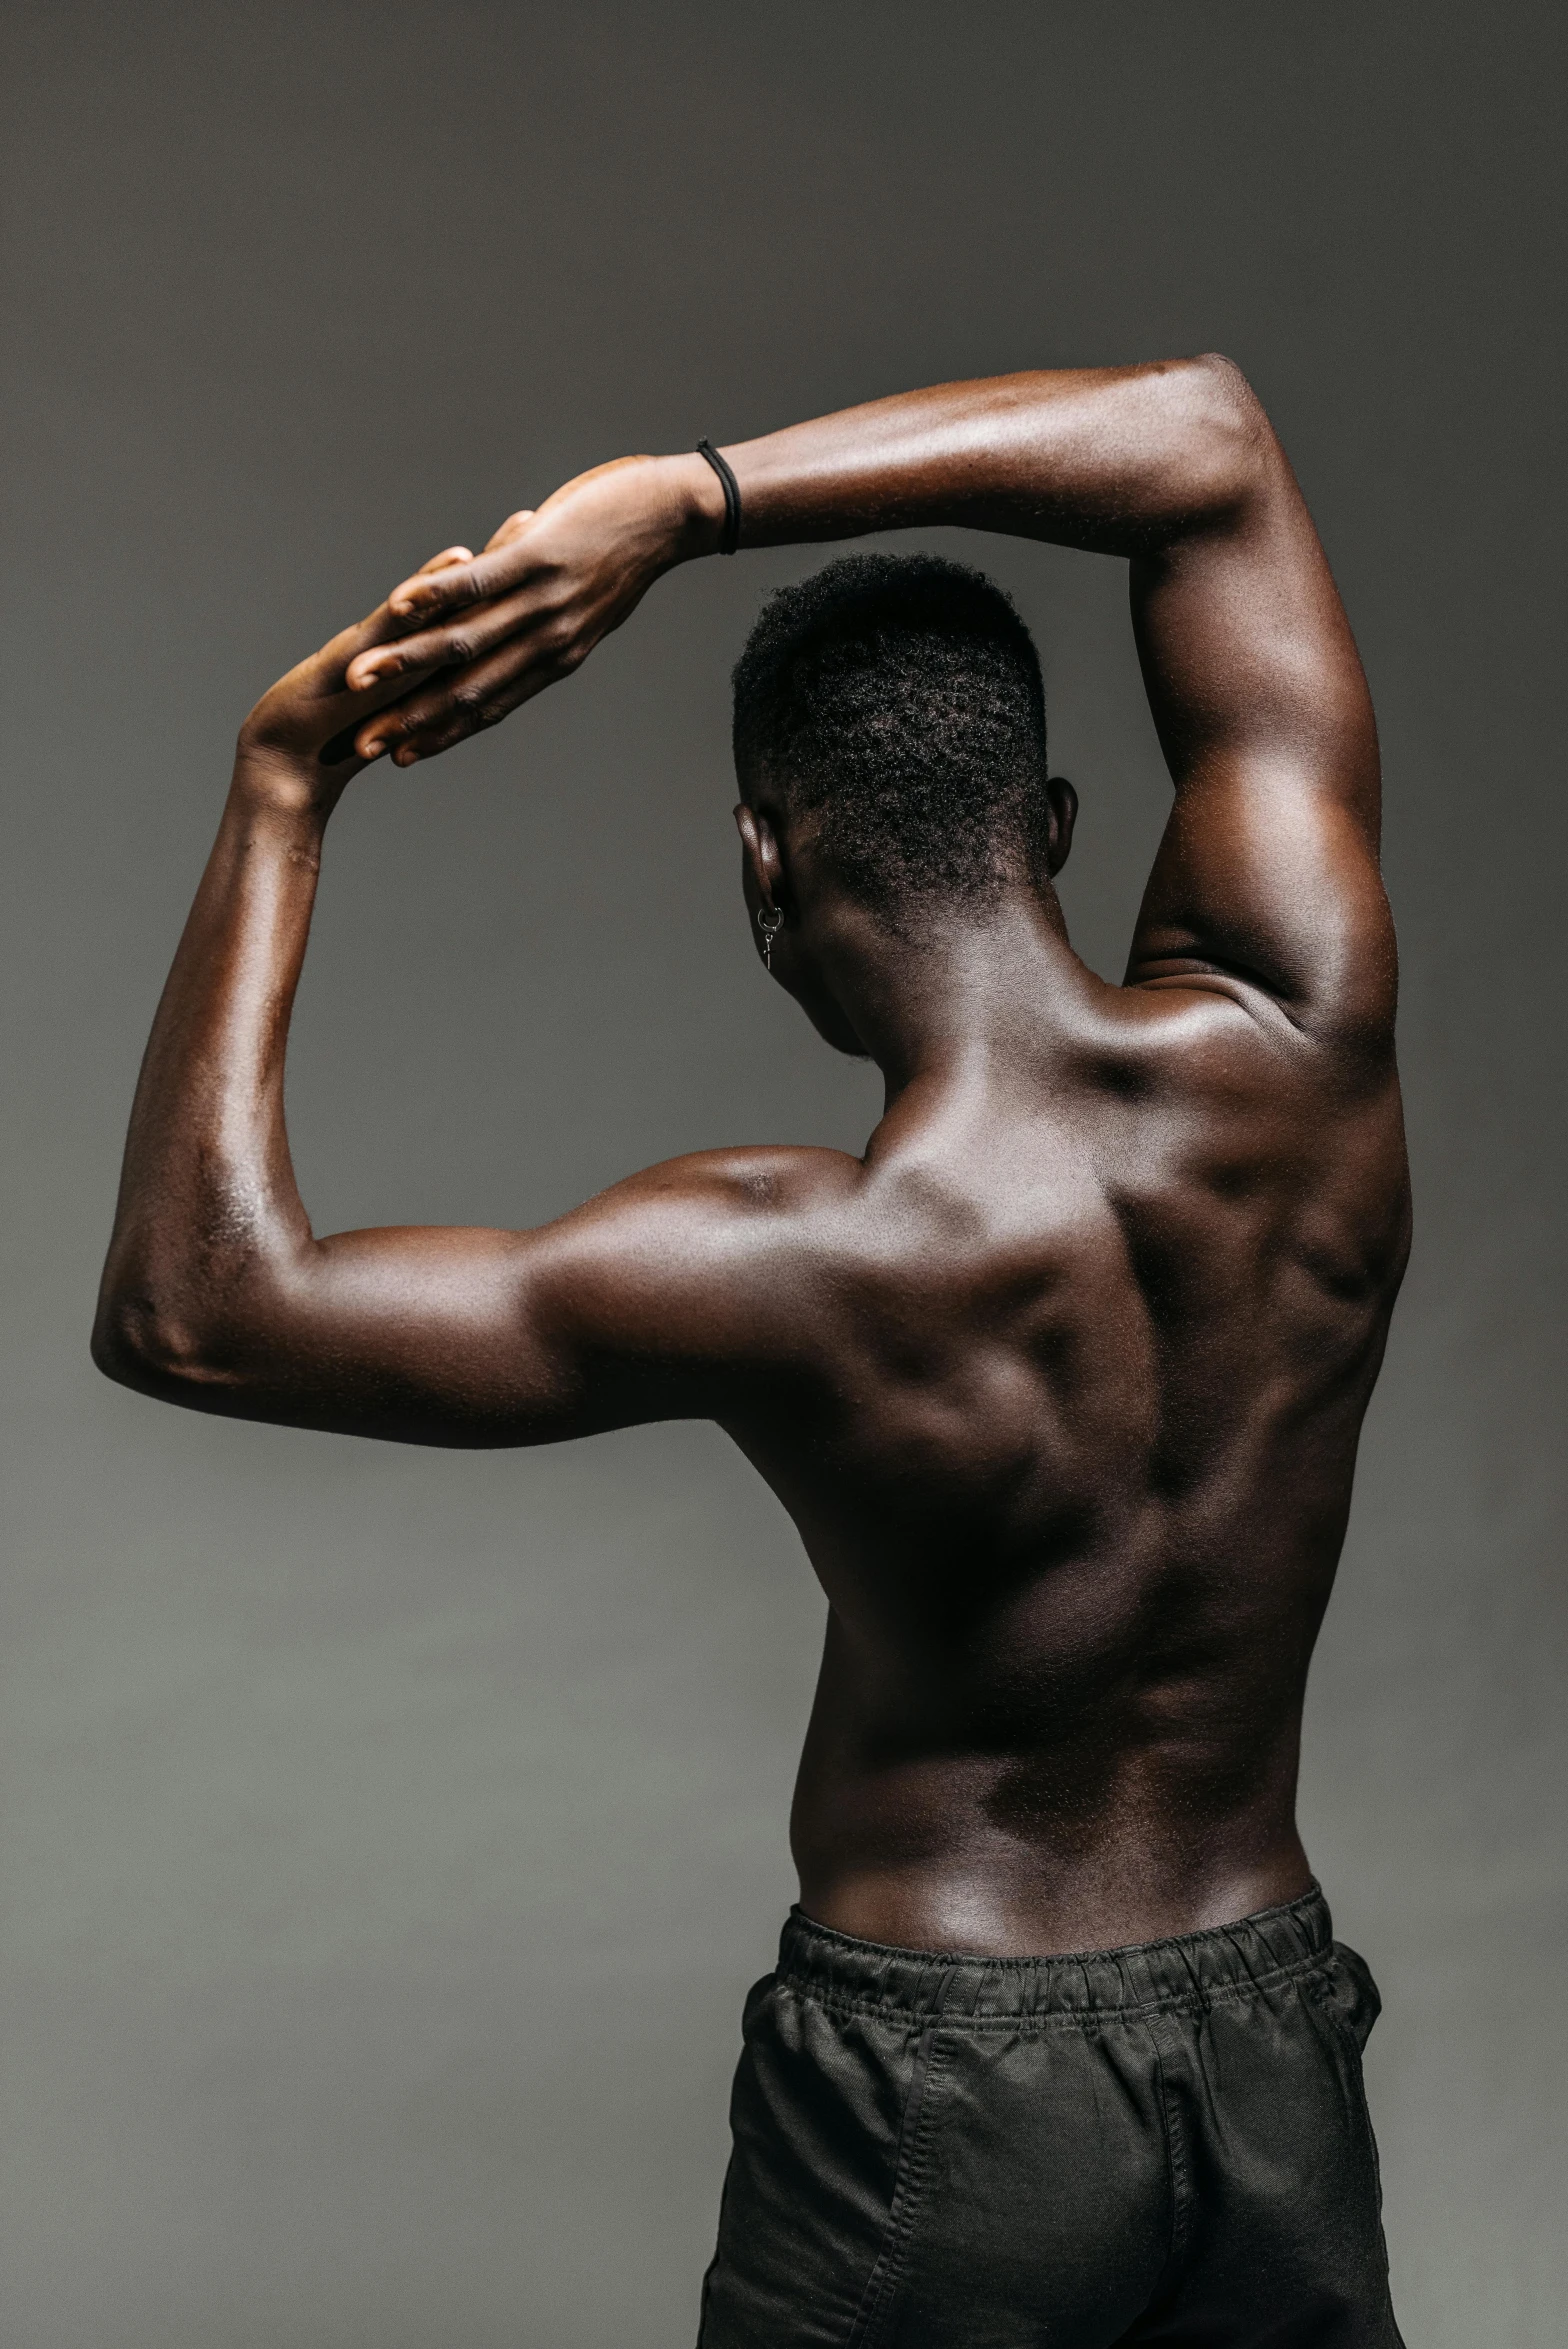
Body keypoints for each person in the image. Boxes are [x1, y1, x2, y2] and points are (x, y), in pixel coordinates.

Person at [94, 357, 1410, 2345]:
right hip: (1274, 2061)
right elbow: (1205, 441)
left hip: (944, 2099)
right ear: (1048, 822)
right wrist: (681, 500)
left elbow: (198, 1312)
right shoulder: (1299, 1055)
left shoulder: (791, 1260)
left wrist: (282, 791)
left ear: (763, 872)